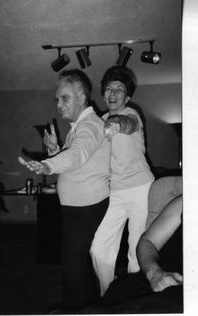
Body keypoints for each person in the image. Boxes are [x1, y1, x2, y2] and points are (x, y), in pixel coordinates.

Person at [19, 69, 111, 310]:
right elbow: (74, 162)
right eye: (57, 99)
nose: (58, 104)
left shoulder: (90, 124)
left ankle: (80, 309)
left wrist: (48, 164)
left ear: (82, 97)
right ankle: (75, 307)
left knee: (74, 264)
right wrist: (53, 150)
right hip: (78, 206)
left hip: (86, 206)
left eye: (65, 98)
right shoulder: (79, 125)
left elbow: (77, 155)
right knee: (73, 262)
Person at [90, 65, 154, 296]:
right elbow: (85, 150)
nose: (113, 93)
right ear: (103, 93)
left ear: (127, 97)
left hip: (140, 189)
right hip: (114, 192)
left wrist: (117, 124)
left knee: (137, 250)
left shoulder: (131, 114)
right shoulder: (99, 121)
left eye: (119, 89)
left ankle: (134, 298)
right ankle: (109, 294)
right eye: (109, 88)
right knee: (99, 249)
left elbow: (129, 125)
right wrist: (56, 149)